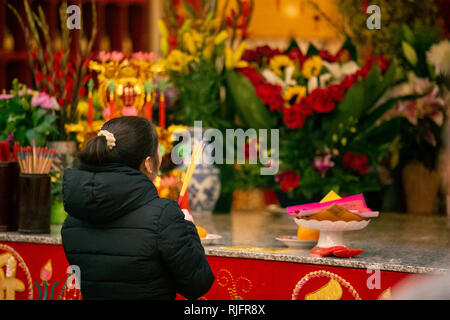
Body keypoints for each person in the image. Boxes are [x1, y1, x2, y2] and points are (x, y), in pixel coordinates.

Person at [61, 116, 214, 300]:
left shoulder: (73, 219)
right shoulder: (163, 216)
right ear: (148, 163)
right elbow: (198, 284)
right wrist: (188, 228)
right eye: (159, 152)